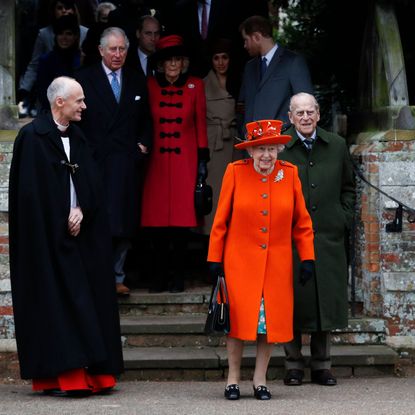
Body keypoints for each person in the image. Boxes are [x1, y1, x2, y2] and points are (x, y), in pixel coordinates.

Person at [9, 76, 123, 396]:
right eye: (79, 101)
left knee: (88, 302)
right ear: (60, 102)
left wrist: (82, 208)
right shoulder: (32, 138)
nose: (85, 106)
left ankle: (96, 373)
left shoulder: (80, 137)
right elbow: (29, 198)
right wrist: (61, 215)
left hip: (81, 237)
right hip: (48, 242)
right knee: (56, 307)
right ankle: (62, 377)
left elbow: (93, 183)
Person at [208, 119, 315, 400]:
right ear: (250, 152)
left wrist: (307, 258)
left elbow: (302, 222)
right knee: (237, 323)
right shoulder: (235, 172)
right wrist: (214, 258)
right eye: (260, 149)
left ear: (279, 149)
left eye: (271, 149)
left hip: (276, 265)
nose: (266, 155)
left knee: (267, 325)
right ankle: (232, 379)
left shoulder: (290, 174)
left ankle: (260, 379)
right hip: (239, 262)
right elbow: (221, 219)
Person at [279, 92, 356, 386]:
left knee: (325, 298)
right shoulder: (282, 148)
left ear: (319, 113)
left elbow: (348, 186)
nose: (306, 117)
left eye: (310, 112)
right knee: (294, 300)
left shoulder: (336, 146)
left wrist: (342, 216)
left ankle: (322, 365)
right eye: (300, 113)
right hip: (291, 238)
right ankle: (293, 364)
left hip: (328, 235)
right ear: (290, 117)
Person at [76, 27, 152, 296]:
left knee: (125, 223)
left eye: (122, 49)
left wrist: (144, 144)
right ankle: (99, 276)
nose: (118, 54)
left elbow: (146, 120)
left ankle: (118, 276)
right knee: (98, 222)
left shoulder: (136, 79)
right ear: (100, 50)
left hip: (126, 163)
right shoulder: (83, 80)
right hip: (97, 163)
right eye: (112, 49)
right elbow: (75, 123)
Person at [141, 34, 209, 293]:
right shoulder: (149, 85)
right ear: (160, 63)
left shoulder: (195, 85)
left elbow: (200, 123)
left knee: (181, 224)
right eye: (168, 60)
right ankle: (158, 277)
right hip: (156, 163)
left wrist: (203, 161)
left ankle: (179, 276)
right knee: (156, 224)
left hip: (185, 162)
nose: (173, 64)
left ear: (184, 63)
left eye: (178, 60)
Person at [238, 15, 313, 129]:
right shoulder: (249, 67)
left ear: (257, 37)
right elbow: (243, 107)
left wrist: (279, 131)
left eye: (246, 40)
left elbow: (306, 107)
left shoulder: (293, 62)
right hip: (252, 144)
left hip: (283, 143)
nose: (244, 45)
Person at [18, 0, 88, 117]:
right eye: (60, 8)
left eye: (69, 34)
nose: (65, 11)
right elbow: (36, 70)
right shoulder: (46, 51)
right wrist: (24, 90)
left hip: (78, 111)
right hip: (51, 111)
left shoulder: (82, 58)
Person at [202, 38, 239, 234]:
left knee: (234, 193)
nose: (221, 62)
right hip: (213, 144)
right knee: (215, 192)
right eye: (216, 58)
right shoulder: (203, 85)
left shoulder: (239, 81)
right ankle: (211, 238)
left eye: (225, 57)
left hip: (234, 143)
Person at [36, 14, 82, 112]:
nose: (64, 37)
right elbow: (43, 93)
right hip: (53, 113)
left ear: (75, 36)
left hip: (79, 112)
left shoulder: (82, 60)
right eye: (60, 33)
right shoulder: (46, 61)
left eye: (68, 33)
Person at [81, 2, 117, 66]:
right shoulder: (92, 33)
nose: (107, 22)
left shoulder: (119, 36)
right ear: (98, 18)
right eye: (104, 18)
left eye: (110, 19)